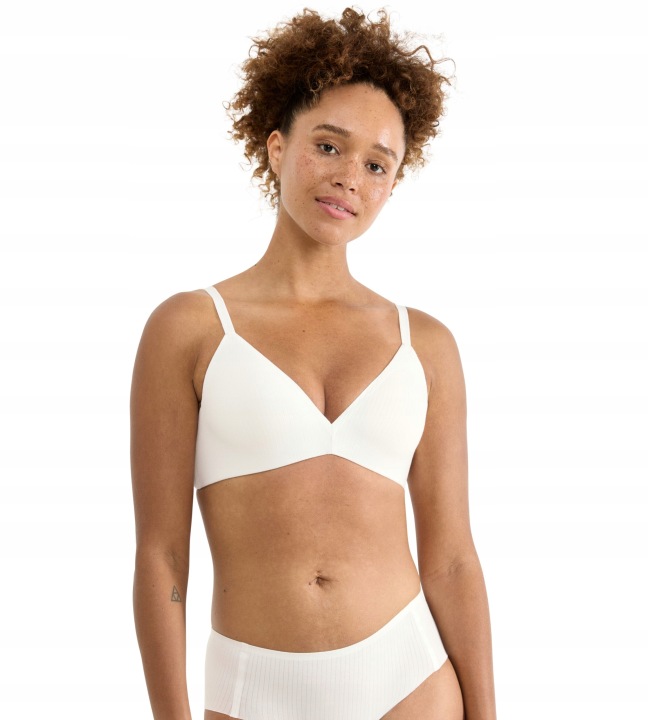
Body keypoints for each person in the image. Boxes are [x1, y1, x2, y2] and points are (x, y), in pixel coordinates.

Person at [130, 7, 496, 720]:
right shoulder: (191, 328)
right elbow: (161, 557)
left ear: (393, 181)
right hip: (253, 691)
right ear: (275, 146)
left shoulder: (425, 344)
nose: (349, 178)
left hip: (412, 682)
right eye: (328, 146)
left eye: (376, 164)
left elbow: (452, 558)